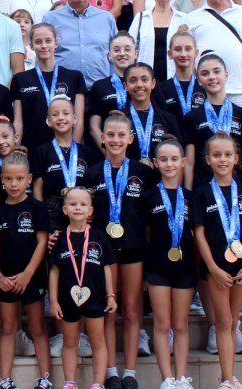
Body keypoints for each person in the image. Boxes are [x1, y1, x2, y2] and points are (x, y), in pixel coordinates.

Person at [191, 132, 242, 389]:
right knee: (222, 321)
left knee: (233, 321)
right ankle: (227, 379)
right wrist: (212, 268)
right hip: (217, 270)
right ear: (207, 160)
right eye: (216, 155)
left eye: (227, 154)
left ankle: (229, 377)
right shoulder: (201, 194)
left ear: (236, 158)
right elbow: (198, 233)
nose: (222, 159)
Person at [88, 110, 154, 389]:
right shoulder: (91, 173)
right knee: (108, 309)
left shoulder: (144, 173)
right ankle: (110, 371)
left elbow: (151, 217)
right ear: (102, 138)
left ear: (131, 138)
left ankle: (129, 372)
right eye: (110, 135)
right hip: (104, 255)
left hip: (134, 249)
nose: (115, 140)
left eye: (121, 135)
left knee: (130, 310)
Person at [49, 186, 116, 389]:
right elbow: (54, 271)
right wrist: (53, 301)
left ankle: (98, 383)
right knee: (69, 342)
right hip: (67, 299)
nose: (78, 208)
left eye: (83, 204)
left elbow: (106, 268)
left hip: (95, 297)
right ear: (64, 209)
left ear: (91, 210)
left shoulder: (99, 236)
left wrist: (110, 295)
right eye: (73, 204)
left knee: (98, 341)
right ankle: (70, 382)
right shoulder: (59, 239)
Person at [143, 136, 196, 389]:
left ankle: (182, 377)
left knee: (181, 324)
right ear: (155, 163)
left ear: (184, 162)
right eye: (163, 159)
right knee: (162, 324)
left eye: (174, 159)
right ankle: (166, 379)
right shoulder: (149, 196)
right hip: (157, 269)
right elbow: (146, 234)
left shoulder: (191, 197)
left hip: (185, 269)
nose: (169, 164)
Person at [0, 148, 52, 389]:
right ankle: (5, 379)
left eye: (19, 179)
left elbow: (42, 242)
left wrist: (28, 274)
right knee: (7, 328)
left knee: (38, 327)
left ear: (29, 179)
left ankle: (45, 378)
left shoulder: (37, 208)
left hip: (32, 277)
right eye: (8, 178)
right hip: (5, 279)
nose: (14, 183)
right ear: (1, 179)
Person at [183, 52, 242, 188]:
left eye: (217, 71)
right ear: (199, 80)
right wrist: (188, 195)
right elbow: (189, 163)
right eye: (205, 73)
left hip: (238, 189)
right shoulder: (191, 118)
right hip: (204, 190)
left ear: (226, 75)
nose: (212, 77)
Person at [11, 23, 85, 157]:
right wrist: (16, 152)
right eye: (38, 42)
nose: (44, 45)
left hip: (66, 149)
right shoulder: (20, 79)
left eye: (48, 41)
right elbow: (18, 122)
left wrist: (73, 151)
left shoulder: (74, 77)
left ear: (56, 43)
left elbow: (78, 120)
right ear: (32, 46)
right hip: (31, 148)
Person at [33, 95, 100, 233]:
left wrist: (91, 208)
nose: (61, 118)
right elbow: (38, 188)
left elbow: (94, 186)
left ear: (75, 119)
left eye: (66, 113)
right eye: (55, 114)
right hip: (53, 211)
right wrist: (42, 217)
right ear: (48, 121)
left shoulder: (88, 152)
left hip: (80, 208)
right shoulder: (42, 151)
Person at [43, 0, 118, 89]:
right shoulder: (50, 19)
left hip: (101, 90)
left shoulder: (107, 18)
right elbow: (43, 56)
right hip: (63, 90)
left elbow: (115, 55)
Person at [130, 0, 187, 82]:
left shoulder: (183, 19)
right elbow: (131, 47)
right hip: (144, 79)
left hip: (175, 78)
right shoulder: (141, 18)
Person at [121, 62, 183, 162]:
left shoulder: (168, 119)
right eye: (133, 81)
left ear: (153, 83)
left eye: (144, 80)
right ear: (126, 86)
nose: (139, 85)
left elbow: (178, 157)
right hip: (127, 177)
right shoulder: (119, 120)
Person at [88, 32, 138, 148]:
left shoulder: (144, 83)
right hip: (110, 148)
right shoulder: (100, 86)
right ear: (109, 55)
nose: (122, 53)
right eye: (116, 50)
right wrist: (108, 152)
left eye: (127, 49)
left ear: (135, 53)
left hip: (140, 149)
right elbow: (94, 127)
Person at [154, 27, 205, 123]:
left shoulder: (204, 86)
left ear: (196, 53)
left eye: (188, 49)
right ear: (170, 54)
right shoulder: (161, 89)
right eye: (178, 49)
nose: (183, 54)